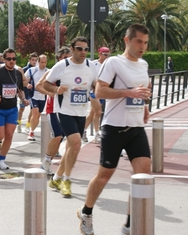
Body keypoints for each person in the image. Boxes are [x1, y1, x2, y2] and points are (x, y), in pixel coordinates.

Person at [77, 24, 152, 235]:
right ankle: (86, 212)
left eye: (146, 43)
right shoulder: (113, 62)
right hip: (114, 127)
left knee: (143, 174)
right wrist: (129, 93)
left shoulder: (144, 64)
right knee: (104, 175)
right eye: (139, 42)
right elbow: (100, 91)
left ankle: (130, 223)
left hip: (136, 127)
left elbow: (142, 90)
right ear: (127, 41)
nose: (142, 47)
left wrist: (144, 105)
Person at [43, 37, 98, 198]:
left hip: (81, 111)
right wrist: (57, 89)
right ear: (72, 49)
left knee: (71, 148)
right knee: (75, 143)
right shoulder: (62, 66)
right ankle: (66, 182)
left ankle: (56, 177)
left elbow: (96, 84)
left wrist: (96, 90)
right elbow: (46, 84)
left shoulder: (91, 66)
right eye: (80, 49)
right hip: (64, 110)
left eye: (86, 49)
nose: (83, 52)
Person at [0, 48, 29, 169]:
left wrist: (23, 99)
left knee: (9, 135)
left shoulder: (18, 73)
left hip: (12, 109)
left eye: (14, 59)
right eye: (9, 59)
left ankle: (0, 160)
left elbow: (19, 90)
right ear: (4, 59)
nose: (12, 61)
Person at [35, 47, 71, 177]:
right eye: (65, 57)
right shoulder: (53, 71)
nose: (68, 60)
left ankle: (52, 164)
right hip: (53, 108)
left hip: (68, 110)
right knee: (57, 136)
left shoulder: (73, 72)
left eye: (69, 57)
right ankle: (45, 163)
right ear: (59, 58)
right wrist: (52, 92)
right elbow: (38, 85)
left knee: (62, 138)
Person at [82, 47, 110, 143]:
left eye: (108, 55)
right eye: (105, 54)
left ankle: (83, 130)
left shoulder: (108, 65)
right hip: (93, 91)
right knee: (98, 111)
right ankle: (97, 134)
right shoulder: (93, 64)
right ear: (100, 54)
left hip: (102, 92)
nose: (106, 57)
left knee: (93, 113)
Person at [25, 54, 48, 140]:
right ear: (38, 62)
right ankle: (31, 132)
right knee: (35, 112)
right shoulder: (32, 70)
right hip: (33, 94)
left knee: (38, 115)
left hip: (43, 95)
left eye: (45, 62)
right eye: (42, 62)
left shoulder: (48, 71)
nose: (43, 64)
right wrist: (27, 84)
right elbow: (24, 80)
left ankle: (32, 129)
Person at [17, 52, 37, 133]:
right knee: (22, 109)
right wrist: (25, 82)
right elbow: (19, 82)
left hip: (33, 93)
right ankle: (19, 124)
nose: (34, 62)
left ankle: (28, 126)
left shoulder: (37, 69)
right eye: (33, 60)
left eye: (36, 60)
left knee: (33, 110)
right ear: (29, 60)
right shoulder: (24, 69)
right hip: (24, 92)